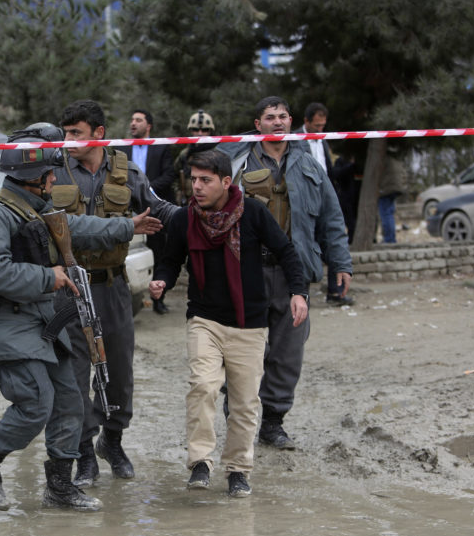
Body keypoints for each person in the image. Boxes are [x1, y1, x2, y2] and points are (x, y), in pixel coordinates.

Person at [0, 126, 162, 512]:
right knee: (35, 403)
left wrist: (126, 226)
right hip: (8, 325)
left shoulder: (37, 209)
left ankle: (60, 488)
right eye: (50, 173)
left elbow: (78, 227)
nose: (55, 178)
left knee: (70, 402)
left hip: (43, 324)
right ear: (32, 177)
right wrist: (48, 277)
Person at [150, 149, 308, 497]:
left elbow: (286, 252)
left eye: (205, 180)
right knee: (203, 386)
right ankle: (201, 463)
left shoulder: (252, 213)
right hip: (204, 319)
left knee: (244, 402)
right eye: (193, 179)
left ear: (225, 182)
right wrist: (162, 281)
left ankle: (237, 470)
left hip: (249, 324)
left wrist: (299, 292)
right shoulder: (183, 219)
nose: (197, 187)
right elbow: (170, 260)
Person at [53, 100, 178, 487]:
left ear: (99, 134)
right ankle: (85, 453)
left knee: (119, 372)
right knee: (74, 375)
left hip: (111, 285)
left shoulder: (125, 172)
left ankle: (113, 439)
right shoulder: (53, 171)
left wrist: (193, 216)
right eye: (66, 133)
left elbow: (157, 207)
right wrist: (128, 225)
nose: (69, 140)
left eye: (77, 133)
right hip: (69, 288)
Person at [216, 96, 352, 450]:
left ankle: (273, 423)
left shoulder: (309, 165)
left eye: (282, 117)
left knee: (288, 352)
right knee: (244, 350)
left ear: (291, 121)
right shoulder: (237, 162)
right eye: (269, 117)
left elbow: (332, 218)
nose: (277, 122)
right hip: (246, 270)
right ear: (258, 124)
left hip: (294, 273)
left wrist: (340, 263)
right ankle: (238, 415)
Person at [115, 109, 176, 314]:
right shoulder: (122, 149)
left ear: (148, 125)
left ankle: (158, 299)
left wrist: (145, 190)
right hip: (130, 212)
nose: (133, 123)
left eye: (138, 120)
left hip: (155, 208)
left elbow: (169, 175)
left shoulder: (161, 147)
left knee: (159, 253)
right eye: (132, 120)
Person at [295, 103, 353, 306]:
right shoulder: (294, 140)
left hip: (324, 198)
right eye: (317, 125)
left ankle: (336, 292)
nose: (320, 129)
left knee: (333, 242)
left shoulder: (324, 142)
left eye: (323, 126)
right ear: (306, 121)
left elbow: (328, 170)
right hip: (305, 202)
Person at [174, 109, 217, 206]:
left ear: (210, 131)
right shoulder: (184, 154)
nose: (200, 133)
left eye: (205, 130)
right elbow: (175, 176)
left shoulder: (218, 154)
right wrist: (178, 192)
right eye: (196, 130)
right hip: (189, 202)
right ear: (191, 131)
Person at [378, 146, 406, 244]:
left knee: (386, 214)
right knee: (389, 213)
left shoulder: (383, 158)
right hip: (395, 188)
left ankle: (389, 239)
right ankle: (391, 238)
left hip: (386, 189)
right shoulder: (395, 158)